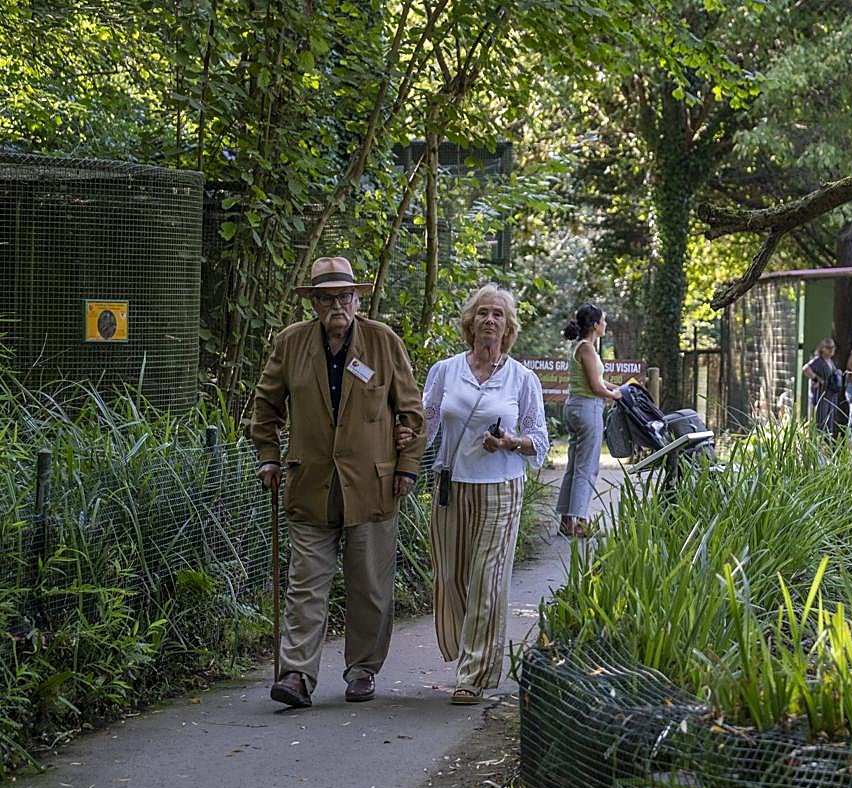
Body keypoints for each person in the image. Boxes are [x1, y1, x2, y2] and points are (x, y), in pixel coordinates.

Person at [252, 255, 427, 708]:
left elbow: (412, 412)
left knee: (370, 585)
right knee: (306, 584)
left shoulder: (382, 342)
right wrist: (269, 458)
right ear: (312, 302)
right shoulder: (291, 344)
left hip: (373, 486)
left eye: (345, 296)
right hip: (309, 484)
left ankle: (362, 670)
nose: (338, 305)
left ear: (356, 298)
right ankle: (296, 676)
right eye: (327, 297)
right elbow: (266, 406)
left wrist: (407, 466)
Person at [410, 284, 548, 705]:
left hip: (500, 490)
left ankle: (473, 673)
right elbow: (425, 424)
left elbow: (539, 441)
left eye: (498, 315)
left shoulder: (522, 379)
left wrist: (509, 442)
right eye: (483, 313)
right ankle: (466, 648)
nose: (490, 320)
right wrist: (398, 462)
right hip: (450, 486)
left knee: (486, 581)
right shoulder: (445, 371)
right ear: (470, 322)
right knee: (451, 577)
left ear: (508, 328)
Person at [555, 304, 622, 539]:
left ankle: (566, 521)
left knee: (574, 467)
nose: (605, 324)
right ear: (595, 324)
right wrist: (614, 396)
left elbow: (599, 381)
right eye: (603, 321)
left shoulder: (582, 348)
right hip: (587, 408)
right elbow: (596, 387)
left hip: (576, 406)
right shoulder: (587, 349)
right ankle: (581, 523)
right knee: (587, 468)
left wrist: (622, 388)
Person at [801, 337, 844, 436]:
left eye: (833, 348)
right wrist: (816, 379)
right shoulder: (818, 360)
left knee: (829, 423)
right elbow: (806, 368)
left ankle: (826, 445)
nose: (831, 350)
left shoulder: (831, 361)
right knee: (820, 422)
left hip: (831, 396)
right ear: (823, 348)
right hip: (821, 397)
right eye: (828, 348)